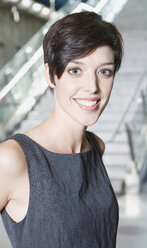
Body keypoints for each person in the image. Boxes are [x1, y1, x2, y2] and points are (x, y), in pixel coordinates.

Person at [0, 11, 123, 248]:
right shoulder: (13, 158)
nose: (92, 87)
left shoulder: (96, 147)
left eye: (104, 71)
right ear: (50, 75)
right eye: (75, 70)